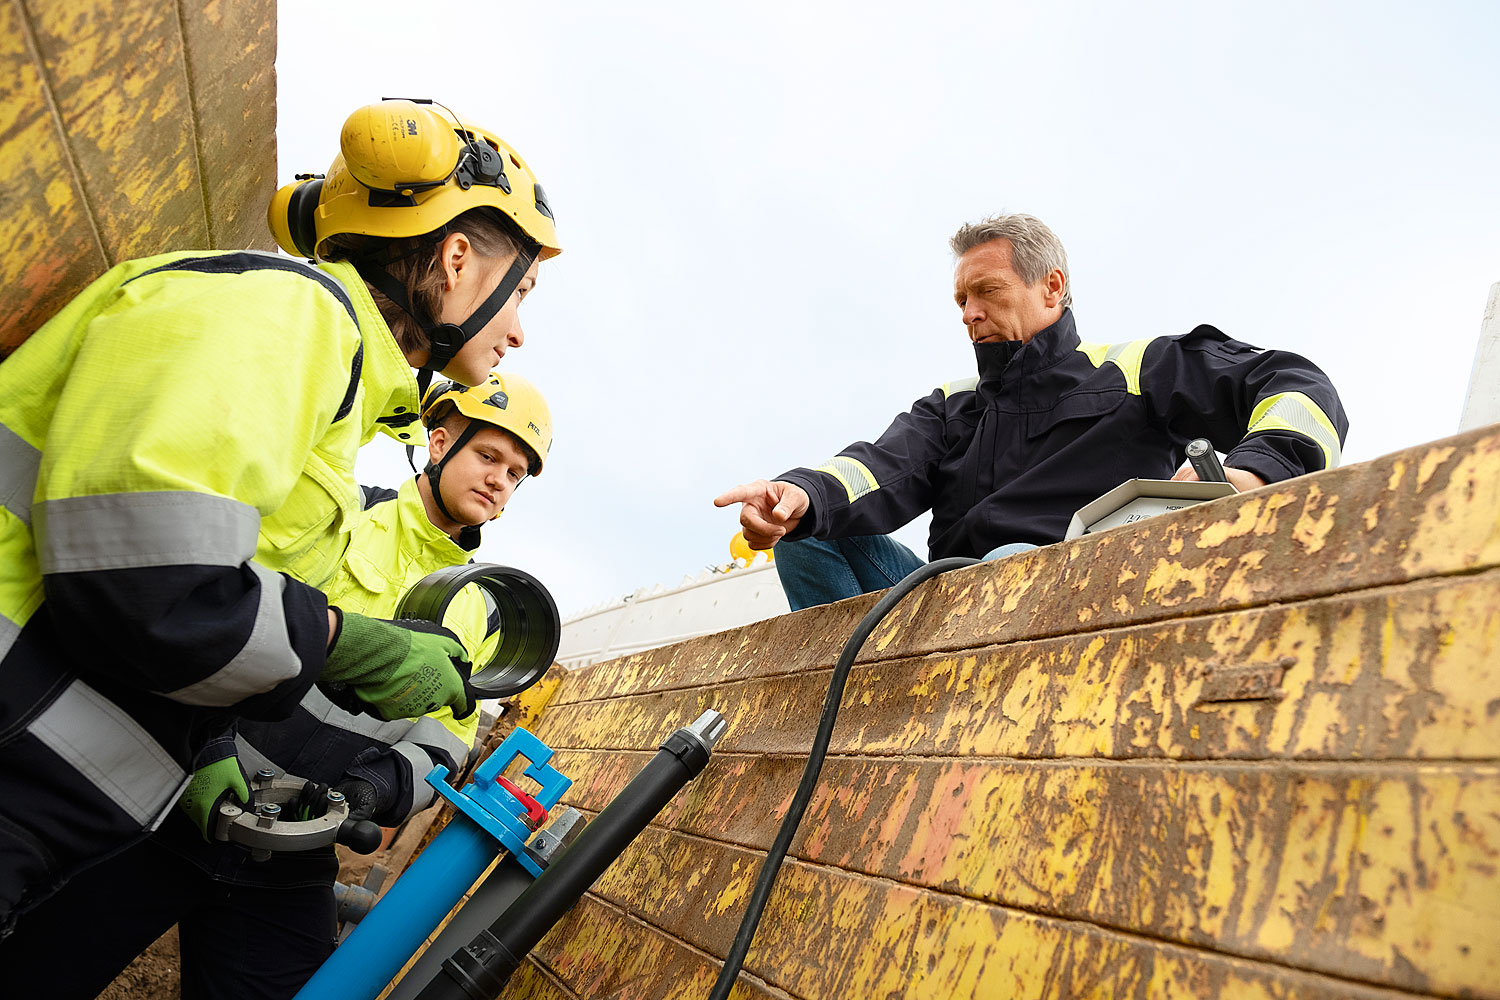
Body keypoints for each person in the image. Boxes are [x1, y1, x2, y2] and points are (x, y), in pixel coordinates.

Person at [0, 98, 562, 932]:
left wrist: (209, 740)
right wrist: (345, 643)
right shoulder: (288, 318)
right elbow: (150, 581)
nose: (517, 331)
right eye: (520, 291)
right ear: (452, 260)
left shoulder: (325, 373)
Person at [0, 372, 554, 999]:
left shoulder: (482, 609)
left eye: (515, 473)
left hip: (297, 843)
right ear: (438, 443)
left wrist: (381, 785)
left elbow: (447, 739)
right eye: (488, 455)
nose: (498, 479)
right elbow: (216, 620)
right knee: (37, 971)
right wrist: (205, 754)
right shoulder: (341, 518)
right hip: (180, 799)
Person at [716, 213, 1348, 610]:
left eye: (987, 292)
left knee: (1004, 565)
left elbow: (1293, 381)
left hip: (1072, 593)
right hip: (944, 601)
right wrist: (796, 496)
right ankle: (857, 711)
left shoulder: (1137, 368)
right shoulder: (950, 408)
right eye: (960, 300)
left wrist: (1257, 470)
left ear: (1051, 286)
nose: (968, 313)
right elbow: (877, 469)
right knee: (804, 540)